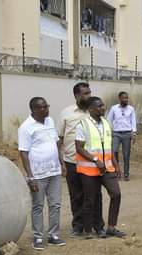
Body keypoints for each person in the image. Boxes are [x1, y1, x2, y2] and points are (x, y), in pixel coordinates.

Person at [18, 97, 66, 250]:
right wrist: (30, 176)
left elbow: (55, 144)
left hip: (54, 171)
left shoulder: (50, 121)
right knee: (38, 205)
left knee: (55, 204)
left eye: (46, 106)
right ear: (33, 109)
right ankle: (38, 237)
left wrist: (62, 163)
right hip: (38, 174)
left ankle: (54, 235)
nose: (46, 109)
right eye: (42, 107)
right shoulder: (26, 127)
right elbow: (23, 153)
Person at [75, 97, 126, 239]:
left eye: (103, 105)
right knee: (90, 199)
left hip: (107, 168)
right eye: (99, 106)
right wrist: (96, 160)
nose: (103, 108)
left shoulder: (106, 123)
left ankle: (111, 227)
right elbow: (79, 148)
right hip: (89, 169)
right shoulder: (82, 124)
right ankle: (88, 230)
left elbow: (108, 147)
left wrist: (116, 164)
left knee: (116, 194)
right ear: (91, 109)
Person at [59, 82, 105, 237]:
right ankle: (78, 226)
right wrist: (61, 162)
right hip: (72, 161)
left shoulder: (94, 112)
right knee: (76, 195)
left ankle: (98, 225)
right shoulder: (66, 113)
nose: (88, 96)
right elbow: (60, 138)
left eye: (89, 92)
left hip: (91, 162)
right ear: (77, 95)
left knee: (95, 195)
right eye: (85, 93)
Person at [107, 91, 137, 181]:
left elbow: (133, 121)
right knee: (114, 151)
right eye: (124, 98)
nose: (126, 100)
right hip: (116, 133)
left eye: (127, 98)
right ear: (119, 98)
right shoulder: (114, 108)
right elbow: (109, 120)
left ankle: (126, 174)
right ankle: (117, 171)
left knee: (126, 154)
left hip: (127, 134)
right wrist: (109, 132)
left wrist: (134, 132)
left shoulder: (131, 109)